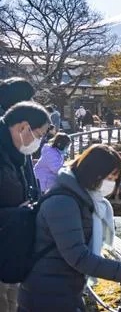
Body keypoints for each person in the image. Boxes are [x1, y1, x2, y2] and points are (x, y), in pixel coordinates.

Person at [18, 145, 121, 311]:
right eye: (109, 177)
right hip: (47, 295)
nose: (111, 183)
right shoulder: (63, 203)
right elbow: (79, 257)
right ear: (93, 173)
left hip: (61, 290)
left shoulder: (82, 199)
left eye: (114, 179)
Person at [0, 102, 51, 312]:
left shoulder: (18, 153)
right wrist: (21, 213)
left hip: (12, 250)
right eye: (39, 135)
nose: (41, 141)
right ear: (23, 127)